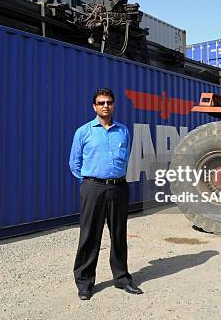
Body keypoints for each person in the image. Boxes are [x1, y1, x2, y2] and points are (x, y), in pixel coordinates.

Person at [69, 88, 143, 301]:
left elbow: (126, 156)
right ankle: (84, 282)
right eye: (101, 102)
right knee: (90, 236)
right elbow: (75, 163)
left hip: (118, 187)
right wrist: (90, 182)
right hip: (93, 187)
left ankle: (122, 278)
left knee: (118, 235)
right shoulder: (83, 132)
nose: (105, 106)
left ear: (114, 105)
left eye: (109, 102)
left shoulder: (123, 131)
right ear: (94, 106)